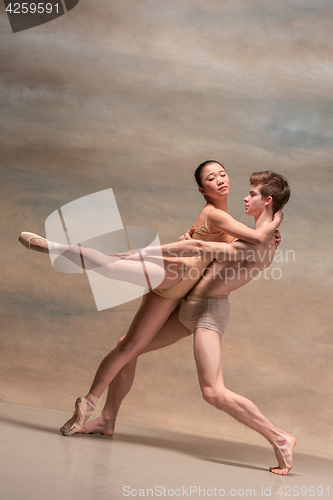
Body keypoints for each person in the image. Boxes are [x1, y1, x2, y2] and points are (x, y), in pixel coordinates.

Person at [19, 162, 282, 436]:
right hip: (174, 273)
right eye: (211, 178)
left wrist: (196, 235)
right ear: (202, 189)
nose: (220, 180)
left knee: (128, 346)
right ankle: (53, 246)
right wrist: (276, 220)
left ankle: (93, 407)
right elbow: (251, 237)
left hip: (177, 294)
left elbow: (232, 247)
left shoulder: (228, 222)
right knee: (111, 267)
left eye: (223, 175)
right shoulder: (216, 215)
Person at [78, 171, 295, 476]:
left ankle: (280, 437)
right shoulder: (256, 232)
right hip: (188, 306)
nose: (245, 198)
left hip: (208, 310)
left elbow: (201, 249)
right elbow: (209, 243)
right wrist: (273, 220)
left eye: (253, 194)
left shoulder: (259, 243)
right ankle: (107, 419)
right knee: (127, 348)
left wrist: (144, 252)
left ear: (267, 200)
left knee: (212, 391)